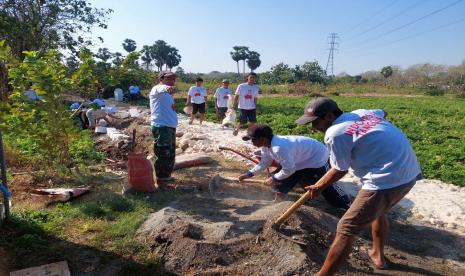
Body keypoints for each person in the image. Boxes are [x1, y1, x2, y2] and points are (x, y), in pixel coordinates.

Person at [295, 97, 422, 275]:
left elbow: (340, 169)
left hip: (385, 180)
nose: (313, 127)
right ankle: (377, 254)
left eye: (315, 122)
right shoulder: (363, 113)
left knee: (346, 228)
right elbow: (383, 112)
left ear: (330, 116)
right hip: (409, 172)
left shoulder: (335, 133)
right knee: (379, 211)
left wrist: (318, 186)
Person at [238, 125, 351, 207]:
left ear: (262, 138)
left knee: (324, 185)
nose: (251, 142)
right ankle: (278, 200)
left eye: (252, 140)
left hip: (316, 158)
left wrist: (273, 178)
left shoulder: (279, 147)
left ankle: (345, 203)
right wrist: (249, 174)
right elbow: (265, 162)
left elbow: (289, 169)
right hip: (298, 160)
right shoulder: (265, 146)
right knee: (281, 178)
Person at [149, 71, 178, 182]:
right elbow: (163, 88)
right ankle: (160, 178)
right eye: (169, 78)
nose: (172, 81)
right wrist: (168, 88)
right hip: (161, 126)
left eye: (173, 78)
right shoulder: (157, 89)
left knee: (170, 153)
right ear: (161, 79)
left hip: (169, 126)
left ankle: (166, 176)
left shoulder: (168, 95)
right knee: (162, 153)